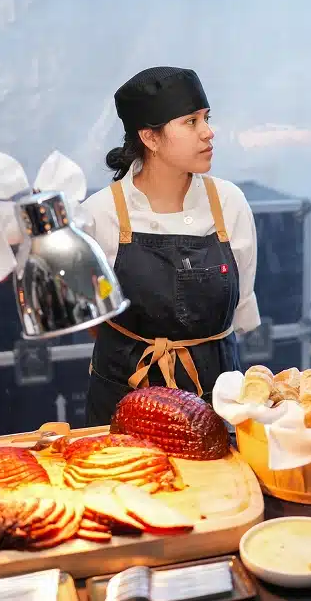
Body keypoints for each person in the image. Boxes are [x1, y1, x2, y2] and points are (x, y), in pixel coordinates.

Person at [81, 67, 260, 425]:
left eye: (206, 119)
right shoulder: (99, 215)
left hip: (215, 401)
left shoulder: (228, 203)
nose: (208, 133)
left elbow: (239, 308)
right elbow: (94, 318)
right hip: (124, 402)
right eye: (191, 122)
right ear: (150, 138)